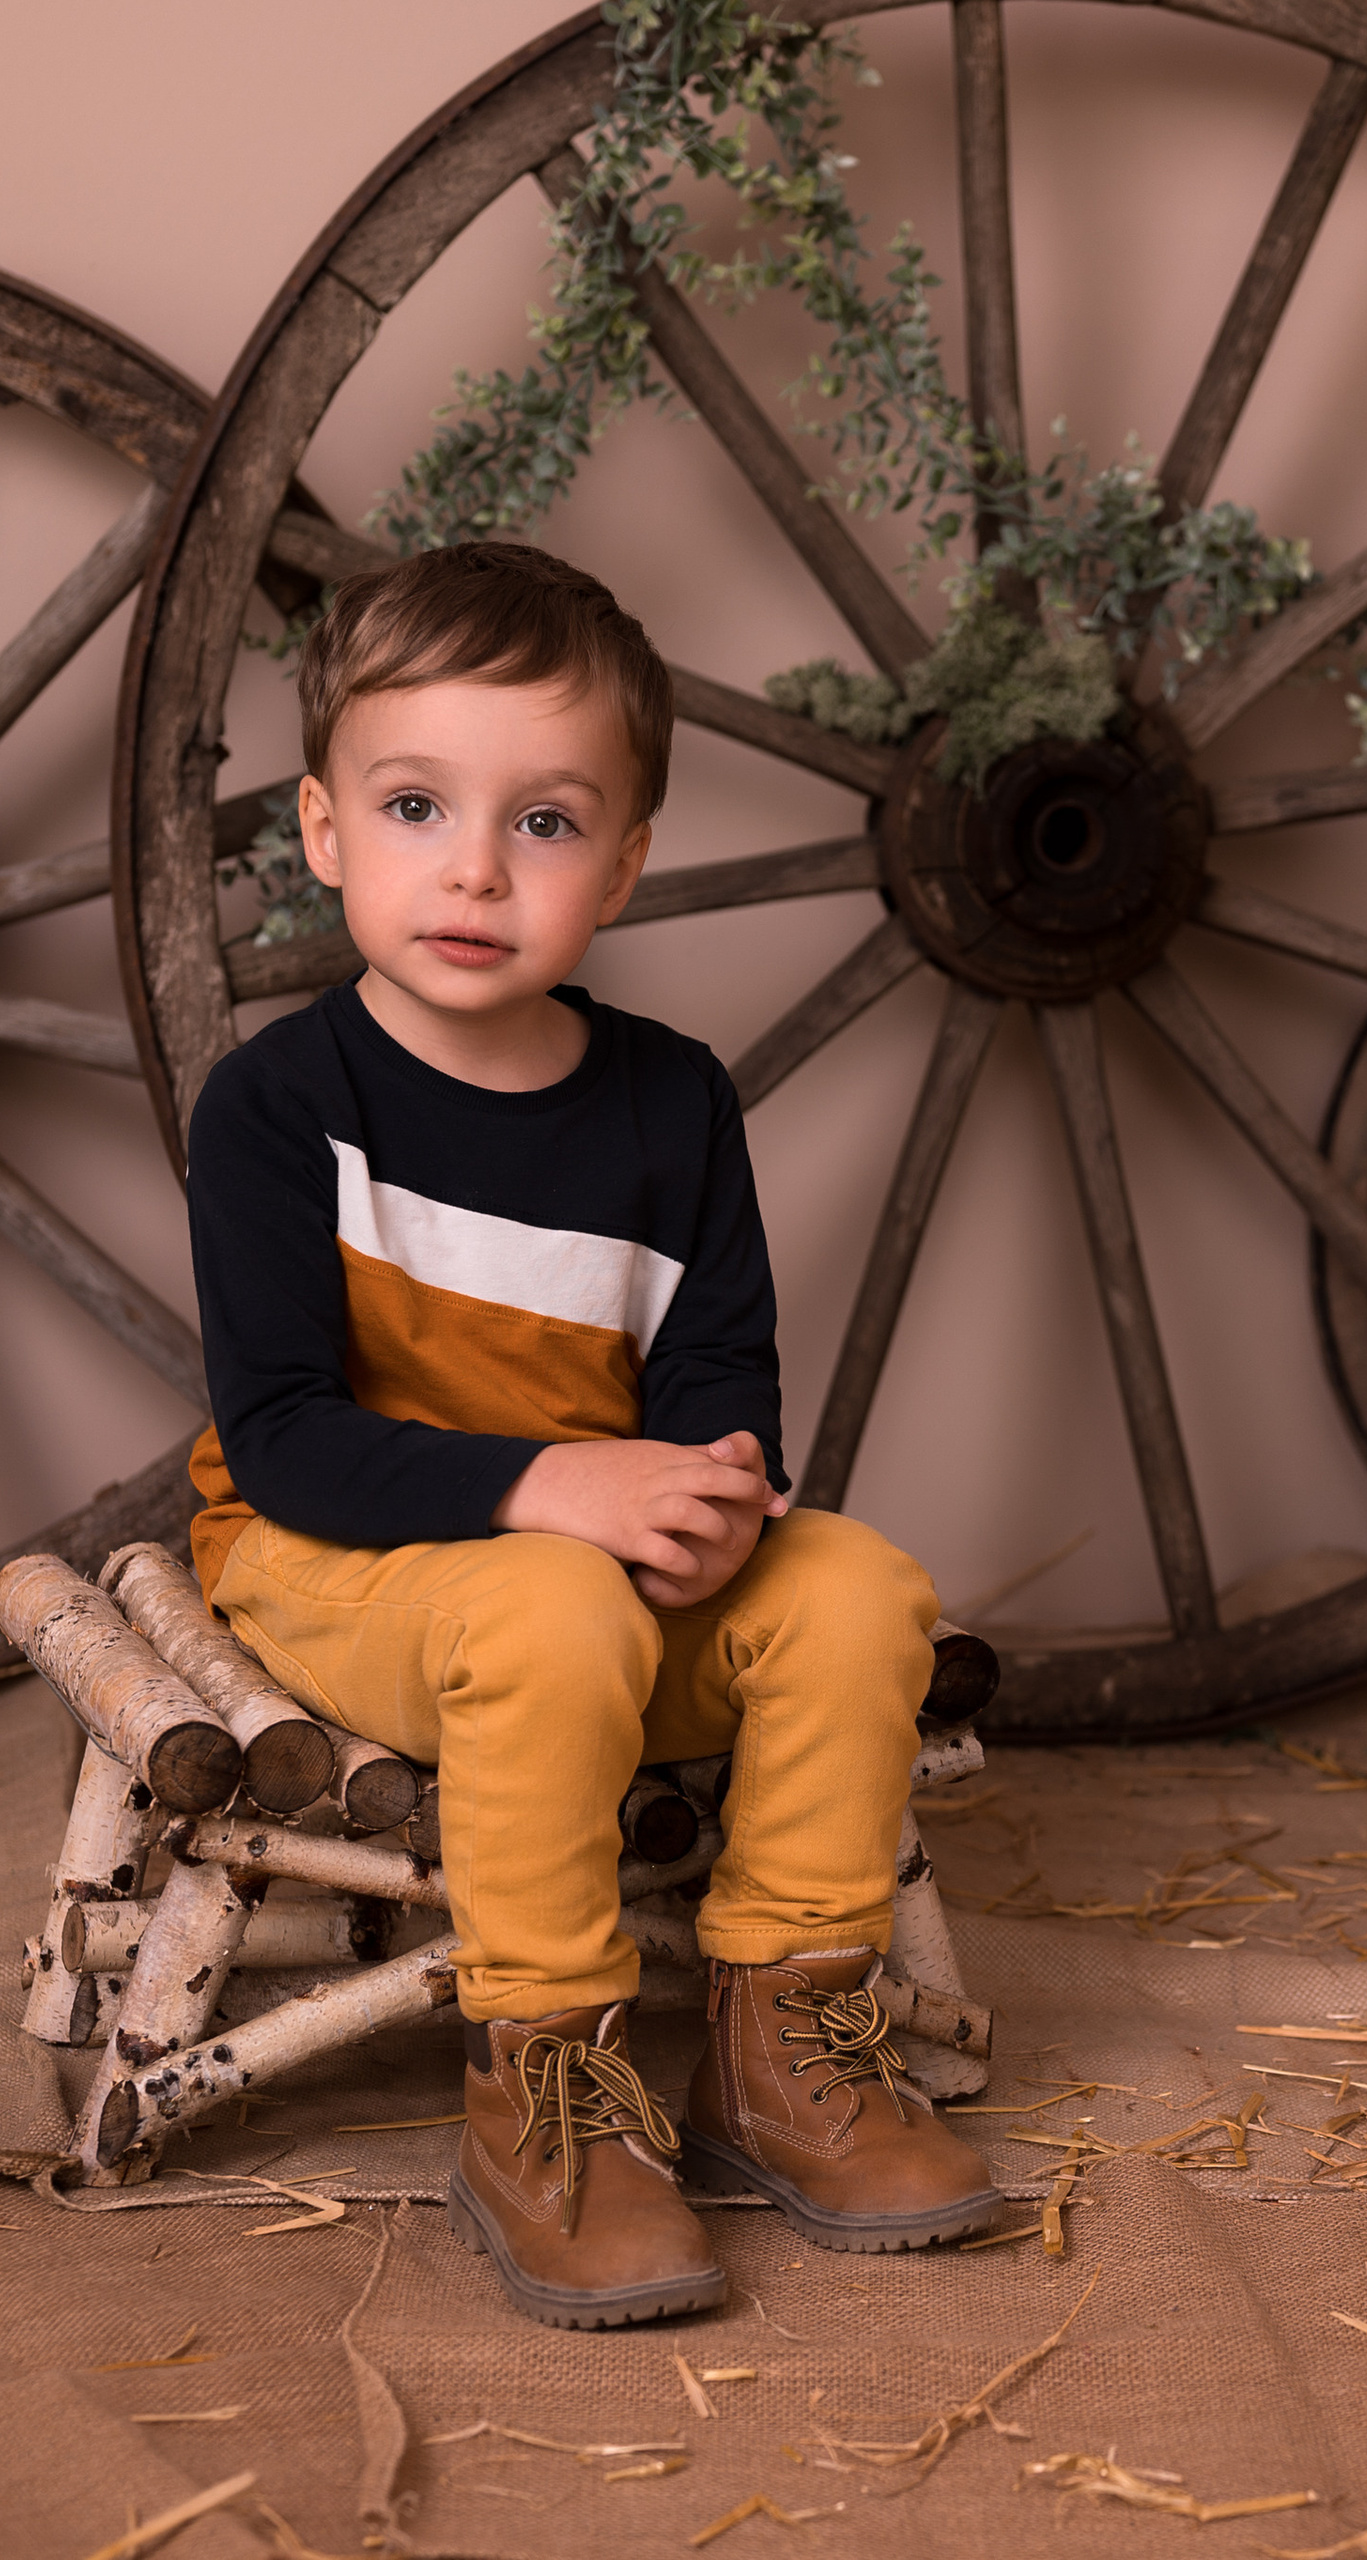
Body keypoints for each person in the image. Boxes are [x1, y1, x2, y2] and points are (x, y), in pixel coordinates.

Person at [184, 541, 997, 2328]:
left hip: (598, 1568)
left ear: (622, 864)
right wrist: (554, 1490)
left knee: (860, 1583)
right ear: (324, 832)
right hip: (347, 1563)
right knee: (552, 1609)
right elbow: (294, 1439)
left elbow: (719, 1371)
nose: (474, 868)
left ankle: (788, 2042)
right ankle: (546, 2081)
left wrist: (716, 1495)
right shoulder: (275, 1109)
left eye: (545, 825)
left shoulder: (669, 1100)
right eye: (416, 806)